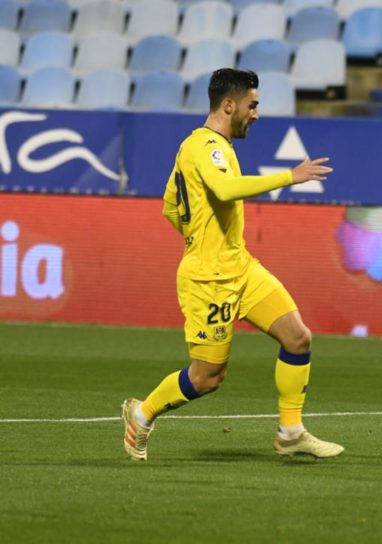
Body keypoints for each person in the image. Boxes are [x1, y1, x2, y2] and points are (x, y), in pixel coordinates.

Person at [121, 68, 344, 461]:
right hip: (209, 279)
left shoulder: (210, 148)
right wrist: (289, 176)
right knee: (207, 378)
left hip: (241, 267)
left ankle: (291, 431)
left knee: (298, 337)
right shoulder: (206, 146)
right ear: (229, 105)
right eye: (252, 105)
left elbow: (170, 206)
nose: (256, 113)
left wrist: (199, 233)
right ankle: (142, 413)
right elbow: (224, 189)